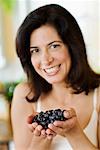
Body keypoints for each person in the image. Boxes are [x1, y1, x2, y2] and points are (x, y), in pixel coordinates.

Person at [11, 4, 100, 150]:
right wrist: (42, 138)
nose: (45, 60)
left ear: (72, 46)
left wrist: (74, 132)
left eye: (54, 46)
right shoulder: (24, 95)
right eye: (35, 50)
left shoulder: (97, 94)